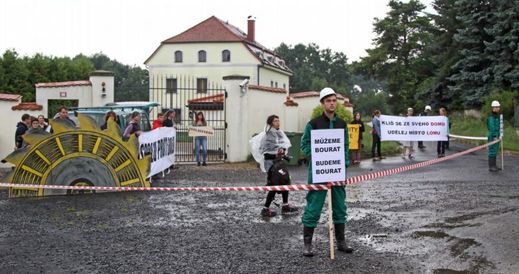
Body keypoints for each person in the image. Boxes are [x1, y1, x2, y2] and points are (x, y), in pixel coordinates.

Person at [300, 87, 354, 257]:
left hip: (337, 172)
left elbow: (345, 146)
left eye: (333, 100)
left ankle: (341, 242)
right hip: (318, 173)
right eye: (328, 101)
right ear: (323, 103)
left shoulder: (341, 124)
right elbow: (304, 145)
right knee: (314, 207)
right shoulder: (314, 124)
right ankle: (307, 244)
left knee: (339, 206)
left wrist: (344, 162)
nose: (331, 103)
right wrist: (317, 157)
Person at [259, 114, 298, 217]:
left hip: (279, 162)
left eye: (278, 120)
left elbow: (282, 146)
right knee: (274, 186)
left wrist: (283, 152)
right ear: (271, 123)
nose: (278, 122)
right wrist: (275, 154)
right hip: (271, 164)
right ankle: (265, 209)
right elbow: (264, 153)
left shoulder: (279, 134)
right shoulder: (267, 136)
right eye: (275, 121)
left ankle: (285, 205)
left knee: (285, 180)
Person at [487, 100, 502, 172]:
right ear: (494, 108)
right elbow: (492, 127)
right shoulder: (491, 117)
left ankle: (494, 165)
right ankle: (491, 166)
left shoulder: (496, 116)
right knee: (492, 151)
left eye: (499, 107)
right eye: (497, 107)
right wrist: (495, 136)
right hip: (493, 136)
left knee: (495, 150)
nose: (498, 108)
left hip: (497, 135)